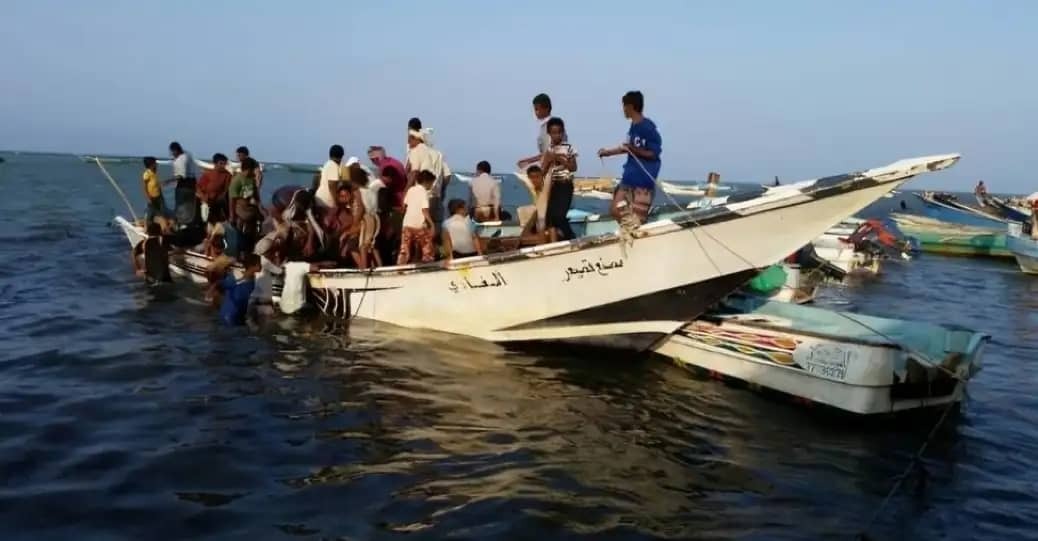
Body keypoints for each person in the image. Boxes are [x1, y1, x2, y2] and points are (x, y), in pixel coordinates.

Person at [598, 91, 663, 226]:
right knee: (615, 210)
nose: (623, 110)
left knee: (639, 220)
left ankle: (634, 233)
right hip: (629, 178)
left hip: (643, 183)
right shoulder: (633, 127)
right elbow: (627, 147)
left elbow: (653, 153)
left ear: (630, 106)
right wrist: (607, 152)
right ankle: (629, 230)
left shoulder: (648, 128)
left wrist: (634, 150)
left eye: (624, 106)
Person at [406, 130, 452, 240]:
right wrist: (442, 189)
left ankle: (421, 254)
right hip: (436, 195)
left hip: (422, 194)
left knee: (420, 226)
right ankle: (433, 251)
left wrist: (407, 191)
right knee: (435, 225)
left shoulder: (417, 151)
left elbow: (414, 173)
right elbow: (447, 176)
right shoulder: (438, 154)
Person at [541, 117, 577, 241]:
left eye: (559, 132)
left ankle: (572, 238)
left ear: (563, 132)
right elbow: (543, 171)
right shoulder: (549, 150)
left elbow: (573, 167)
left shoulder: (569, 148)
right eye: (554, 133)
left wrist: (560, 159)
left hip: (566, 184)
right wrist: (548, 160)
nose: (557, 135)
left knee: (559, 216)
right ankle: (557, 241)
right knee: (549, 218)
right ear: (549, 134)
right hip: (554, 186)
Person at [398, 170, 437, 264]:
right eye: (432, 183)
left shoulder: (411, 190)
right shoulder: (424, 192)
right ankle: (428, 265)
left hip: (407, 223)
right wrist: (432, 224)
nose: (432, 186)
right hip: (418, 224)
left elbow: (404, 206)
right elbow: (424, 210)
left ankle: (400, 267)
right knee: (427, 248)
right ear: (427, 182)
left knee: (404, 249)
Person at [517, 93, 564, 169]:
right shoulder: (550, 124)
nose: (536, 113)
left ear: (546, 109)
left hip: (551, 166)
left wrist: (528, 161)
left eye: (537, 109)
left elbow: (549, 153)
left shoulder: (549, 126)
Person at [217, 253, 262, 326]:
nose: (261, 266)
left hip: (239, 316)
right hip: (229, 316)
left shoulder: (253, 280)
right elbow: (219, 286)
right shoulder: (235, 276)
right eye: (259, 263)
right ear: (254, 265)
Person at [228, 158, 262, 250]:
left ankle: (250, 251)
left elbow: (256, 195)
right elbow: (232, 199)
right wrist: (232, 217)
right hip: (241, 213)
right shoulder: (237, 180)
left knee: (251, 237)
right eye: (254, 169)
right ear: (248, 169)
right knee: (240, 238)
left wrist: (260, 209)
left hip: (251, 212)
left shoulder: (252, 179)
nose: (255, 172)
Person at [169, 141, 201, 229]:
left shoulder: (181, 160)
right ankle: (189, 223)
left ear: (175, 150)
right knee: (189, 206)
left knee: (181, 205)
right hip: (191, 184)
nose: (172, 154)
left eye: (172, 151)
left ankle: (182, 225)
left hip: (184, 185)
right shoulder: (187, 155)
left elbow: (181, 176)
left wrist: (167, 181)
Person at [197, 153, 232, 224]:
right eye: (221, 163)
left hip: (218, 201)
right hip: (205, 199)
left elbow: (226, 190)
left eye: (224, 164)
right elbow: (198, 187)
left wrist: (220, 197)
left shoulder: (227, 175)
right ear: (215, 163)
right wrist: (203, 197)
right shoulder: (208, 174)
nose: (223, 166)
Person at [317, 144, 345, 212]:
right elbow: (332, 184)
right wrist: (336, 202)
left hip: (320, 198)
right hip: (327, 201)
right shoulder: (333, 165)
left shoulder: (327, 164)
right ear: (341, 156)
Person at [141, 156, 167, 223]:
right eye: (155, 163)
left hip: (159, 196)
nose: (156, 164)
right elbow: (145, 187)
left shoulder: (154, 172)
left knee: (161, 211)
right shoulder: (147, 174)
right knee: (151, 212)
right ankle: (147, 224)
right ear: (151, 164)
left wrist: (161, 194)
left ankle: (161, 223)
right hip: (152, 197)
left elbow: (157, 185)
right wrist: (148, 198)